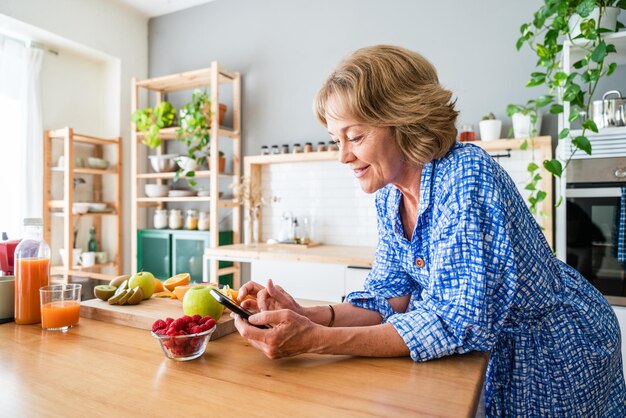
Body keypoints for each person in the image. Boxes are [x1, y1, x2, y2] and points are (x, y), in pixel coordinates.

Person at [232, 45, 626, 417]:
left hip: (556, 351)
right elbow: (391, 298)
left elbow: (455, 322)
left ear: (405, 122)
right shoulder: (390, 196)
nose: (343, 156)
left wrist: (315, 339)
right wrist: (310, 315)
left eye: (355, 137)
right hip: (490, 354)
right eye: (337, 139)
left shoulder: (467, 176)